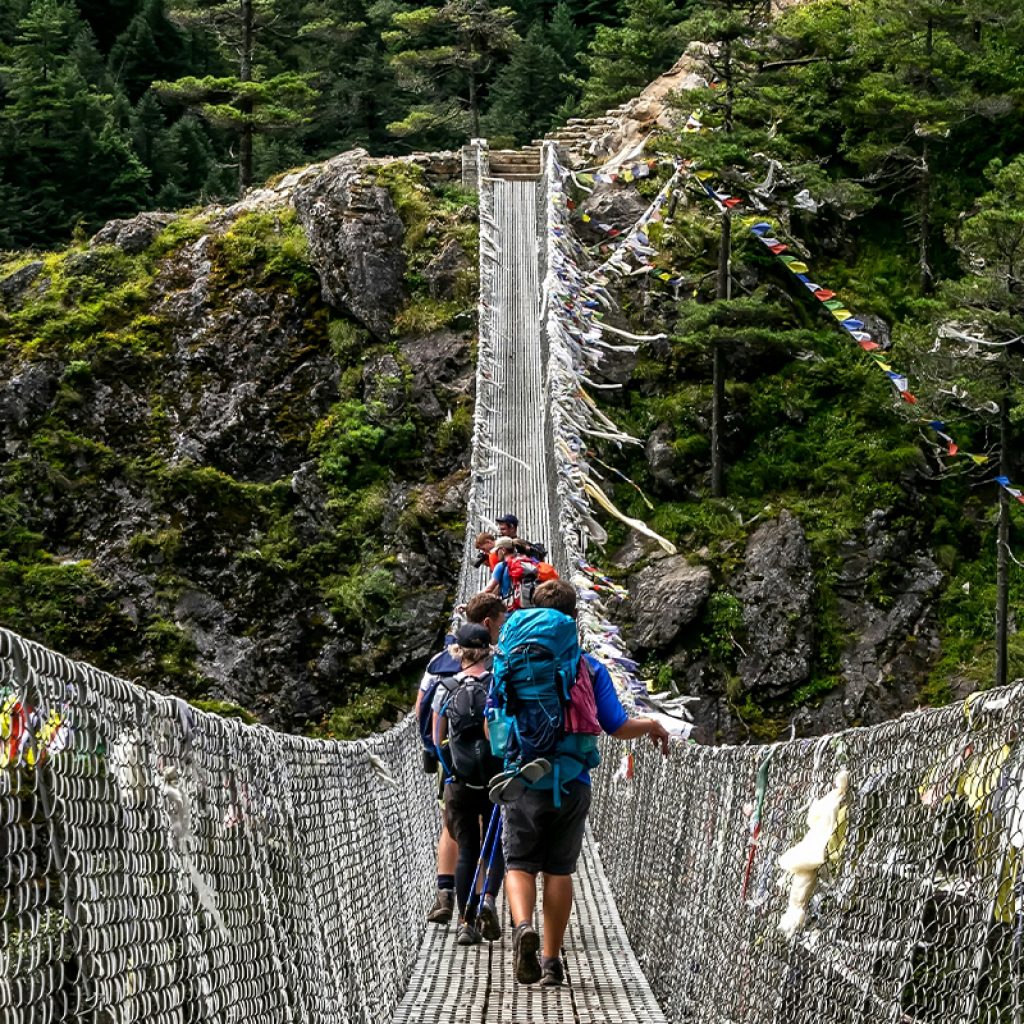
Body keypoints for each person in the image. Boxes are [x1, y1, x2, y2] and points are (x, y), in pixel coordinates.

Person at [498, 579, 670, 987]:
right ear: (574, 619)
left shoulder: (511, 658)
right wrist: (651, 724)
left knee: (519, 864)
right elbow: (616, 725)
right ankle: (552, 962)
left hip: (523, 778)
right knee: (560, 870)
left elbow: (498, 717)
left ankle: (523, 926)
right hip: (573, 781)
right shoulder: (589, 667)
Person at [417, 592, 507, 925]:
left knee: (456, 830)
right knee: (491, 832)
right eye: (500, 622)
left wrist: (434, 752)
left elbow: (422, 709)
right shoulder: (499, 672)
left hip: (455, 768)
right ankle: (486, 899)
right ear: (487, 628)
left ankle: (449, 898)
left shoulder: (438, 665)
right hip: (494, 771)